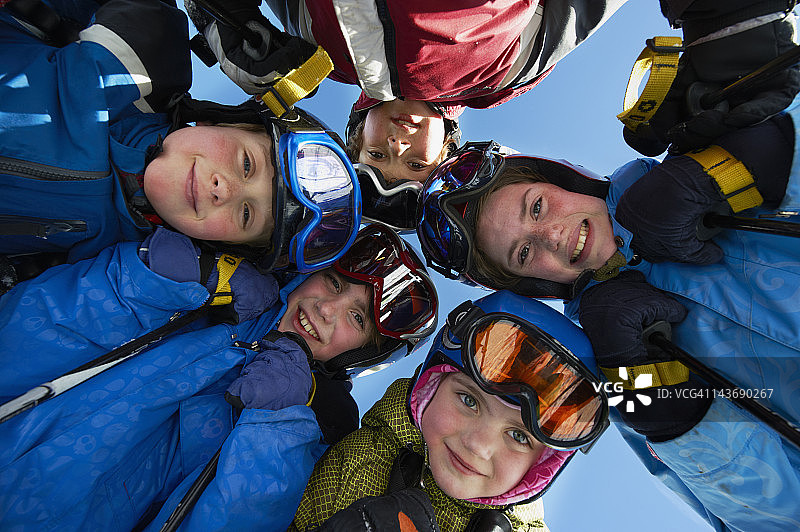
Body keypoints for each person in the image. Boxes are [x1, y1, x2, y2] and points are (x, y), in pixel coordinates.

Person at [415, 102, 800, 529]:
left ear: (564, 179)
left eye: (537, 207)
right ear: (533, 286)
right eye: (524, 253)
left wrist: (758, 157)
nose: (552, 236)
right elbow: (776, 518)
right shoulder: (621, 368)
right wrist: (669, 411)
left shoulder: (705, 157)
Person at [0, 222, 438, 531]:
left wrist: (279, 427)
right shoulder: (206, 300)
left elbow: (236, 515)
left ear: (357, 355)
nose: (326, 309)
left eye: (356, 318)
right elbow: (27, 333)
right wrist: (151, 281)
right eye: (335, 283)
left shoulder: (313, 425)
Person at [0, 0, 360, 278]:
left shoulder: (108, 262)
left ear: (220, 243)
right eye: (246, 164)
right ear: (224, 123)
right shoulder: (145, 58)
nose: (225, 190)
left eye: (246, 214)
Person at [186, 0, 630, 185]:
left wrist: (222, 20)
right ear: (447, 150)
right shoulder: (501, 77)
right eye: (416, 161)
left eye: (377, 154)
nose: (398, 144)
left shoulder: (318, 56)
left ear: (358, 132)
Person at [289, 289, 610, 532]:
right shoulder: (362, 462)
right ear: (431, 387)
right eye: (469, 401)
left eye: (518, 436)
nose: (479, 445)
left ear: (541, 465)